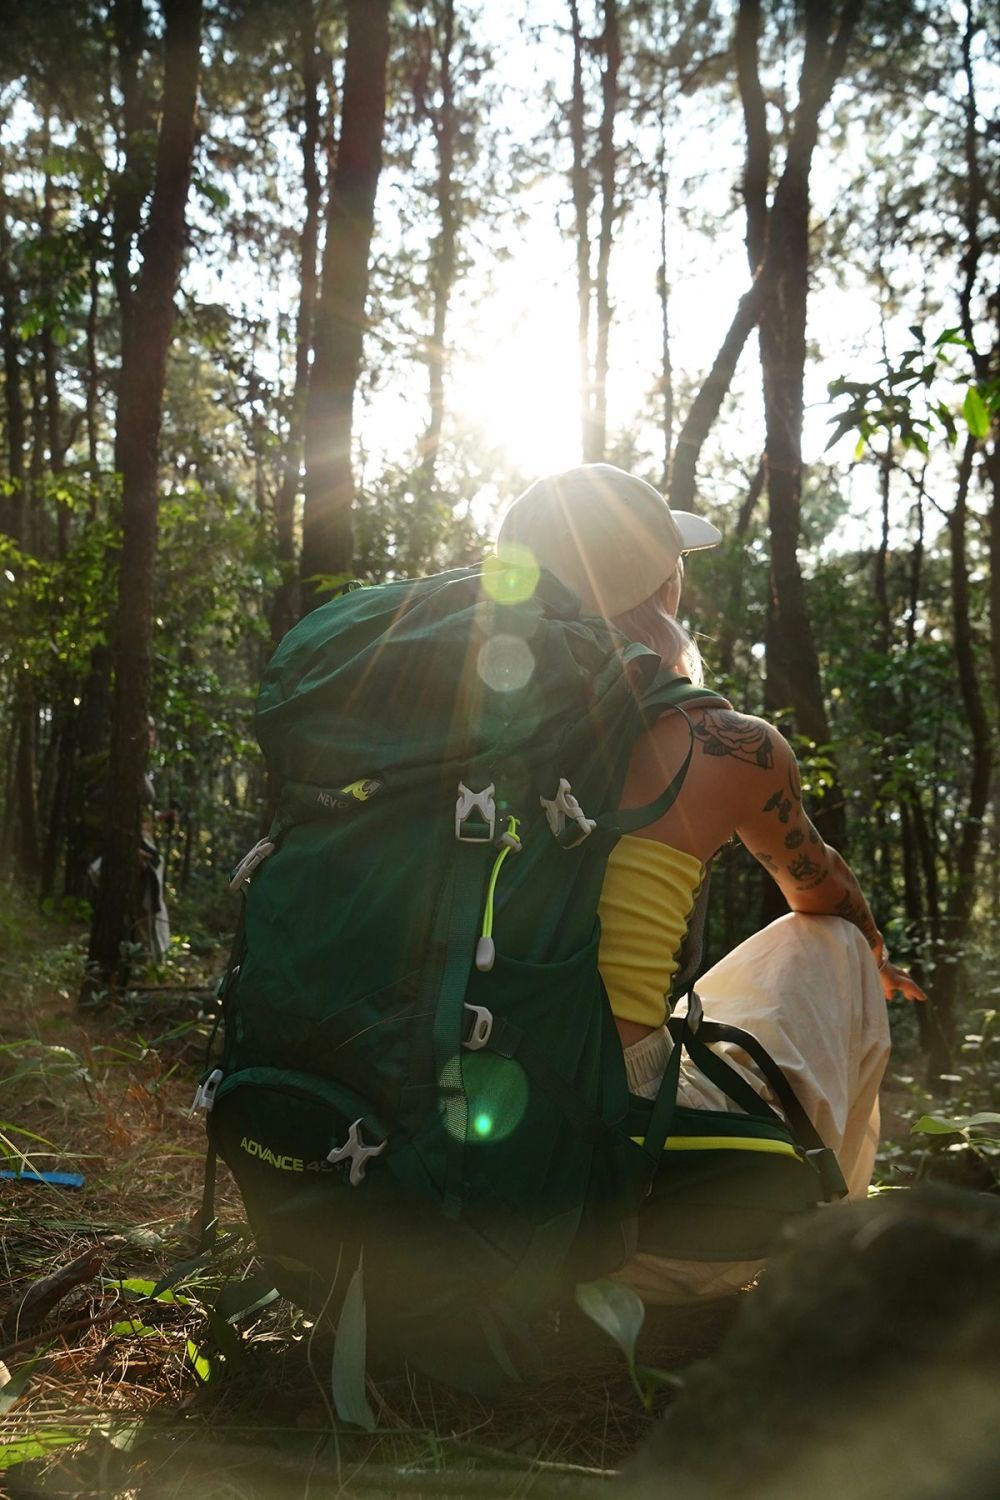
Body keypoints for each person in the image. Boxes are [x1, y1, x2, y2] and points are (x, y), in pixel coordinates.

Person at [497, 464, 925, 1303]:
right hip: (615, 1194)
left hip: (412, 1155)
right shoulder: (725, 742)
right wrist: (873, 950)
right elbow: (822, 891)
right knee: (833, 944)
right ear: (666, 586)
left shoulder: (435, 732)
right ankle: (834, 1256)